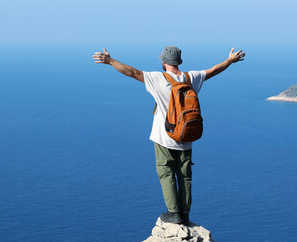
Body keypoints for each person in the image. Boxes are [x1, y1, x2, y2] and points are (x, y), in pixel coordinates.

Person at [92, 46, 245, 224]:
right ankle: (185, 214)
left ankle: (174, 213)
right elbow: (213, 70)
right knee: (185, 176)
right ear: (179, 61)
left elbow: (132, 72)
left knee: (166, 174)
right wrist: (229, 61)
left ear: (163, 62)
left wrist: (110, 61)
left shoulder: (157, 78)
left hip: (164, 138)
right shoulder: (192, 78)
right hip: (186, 138)